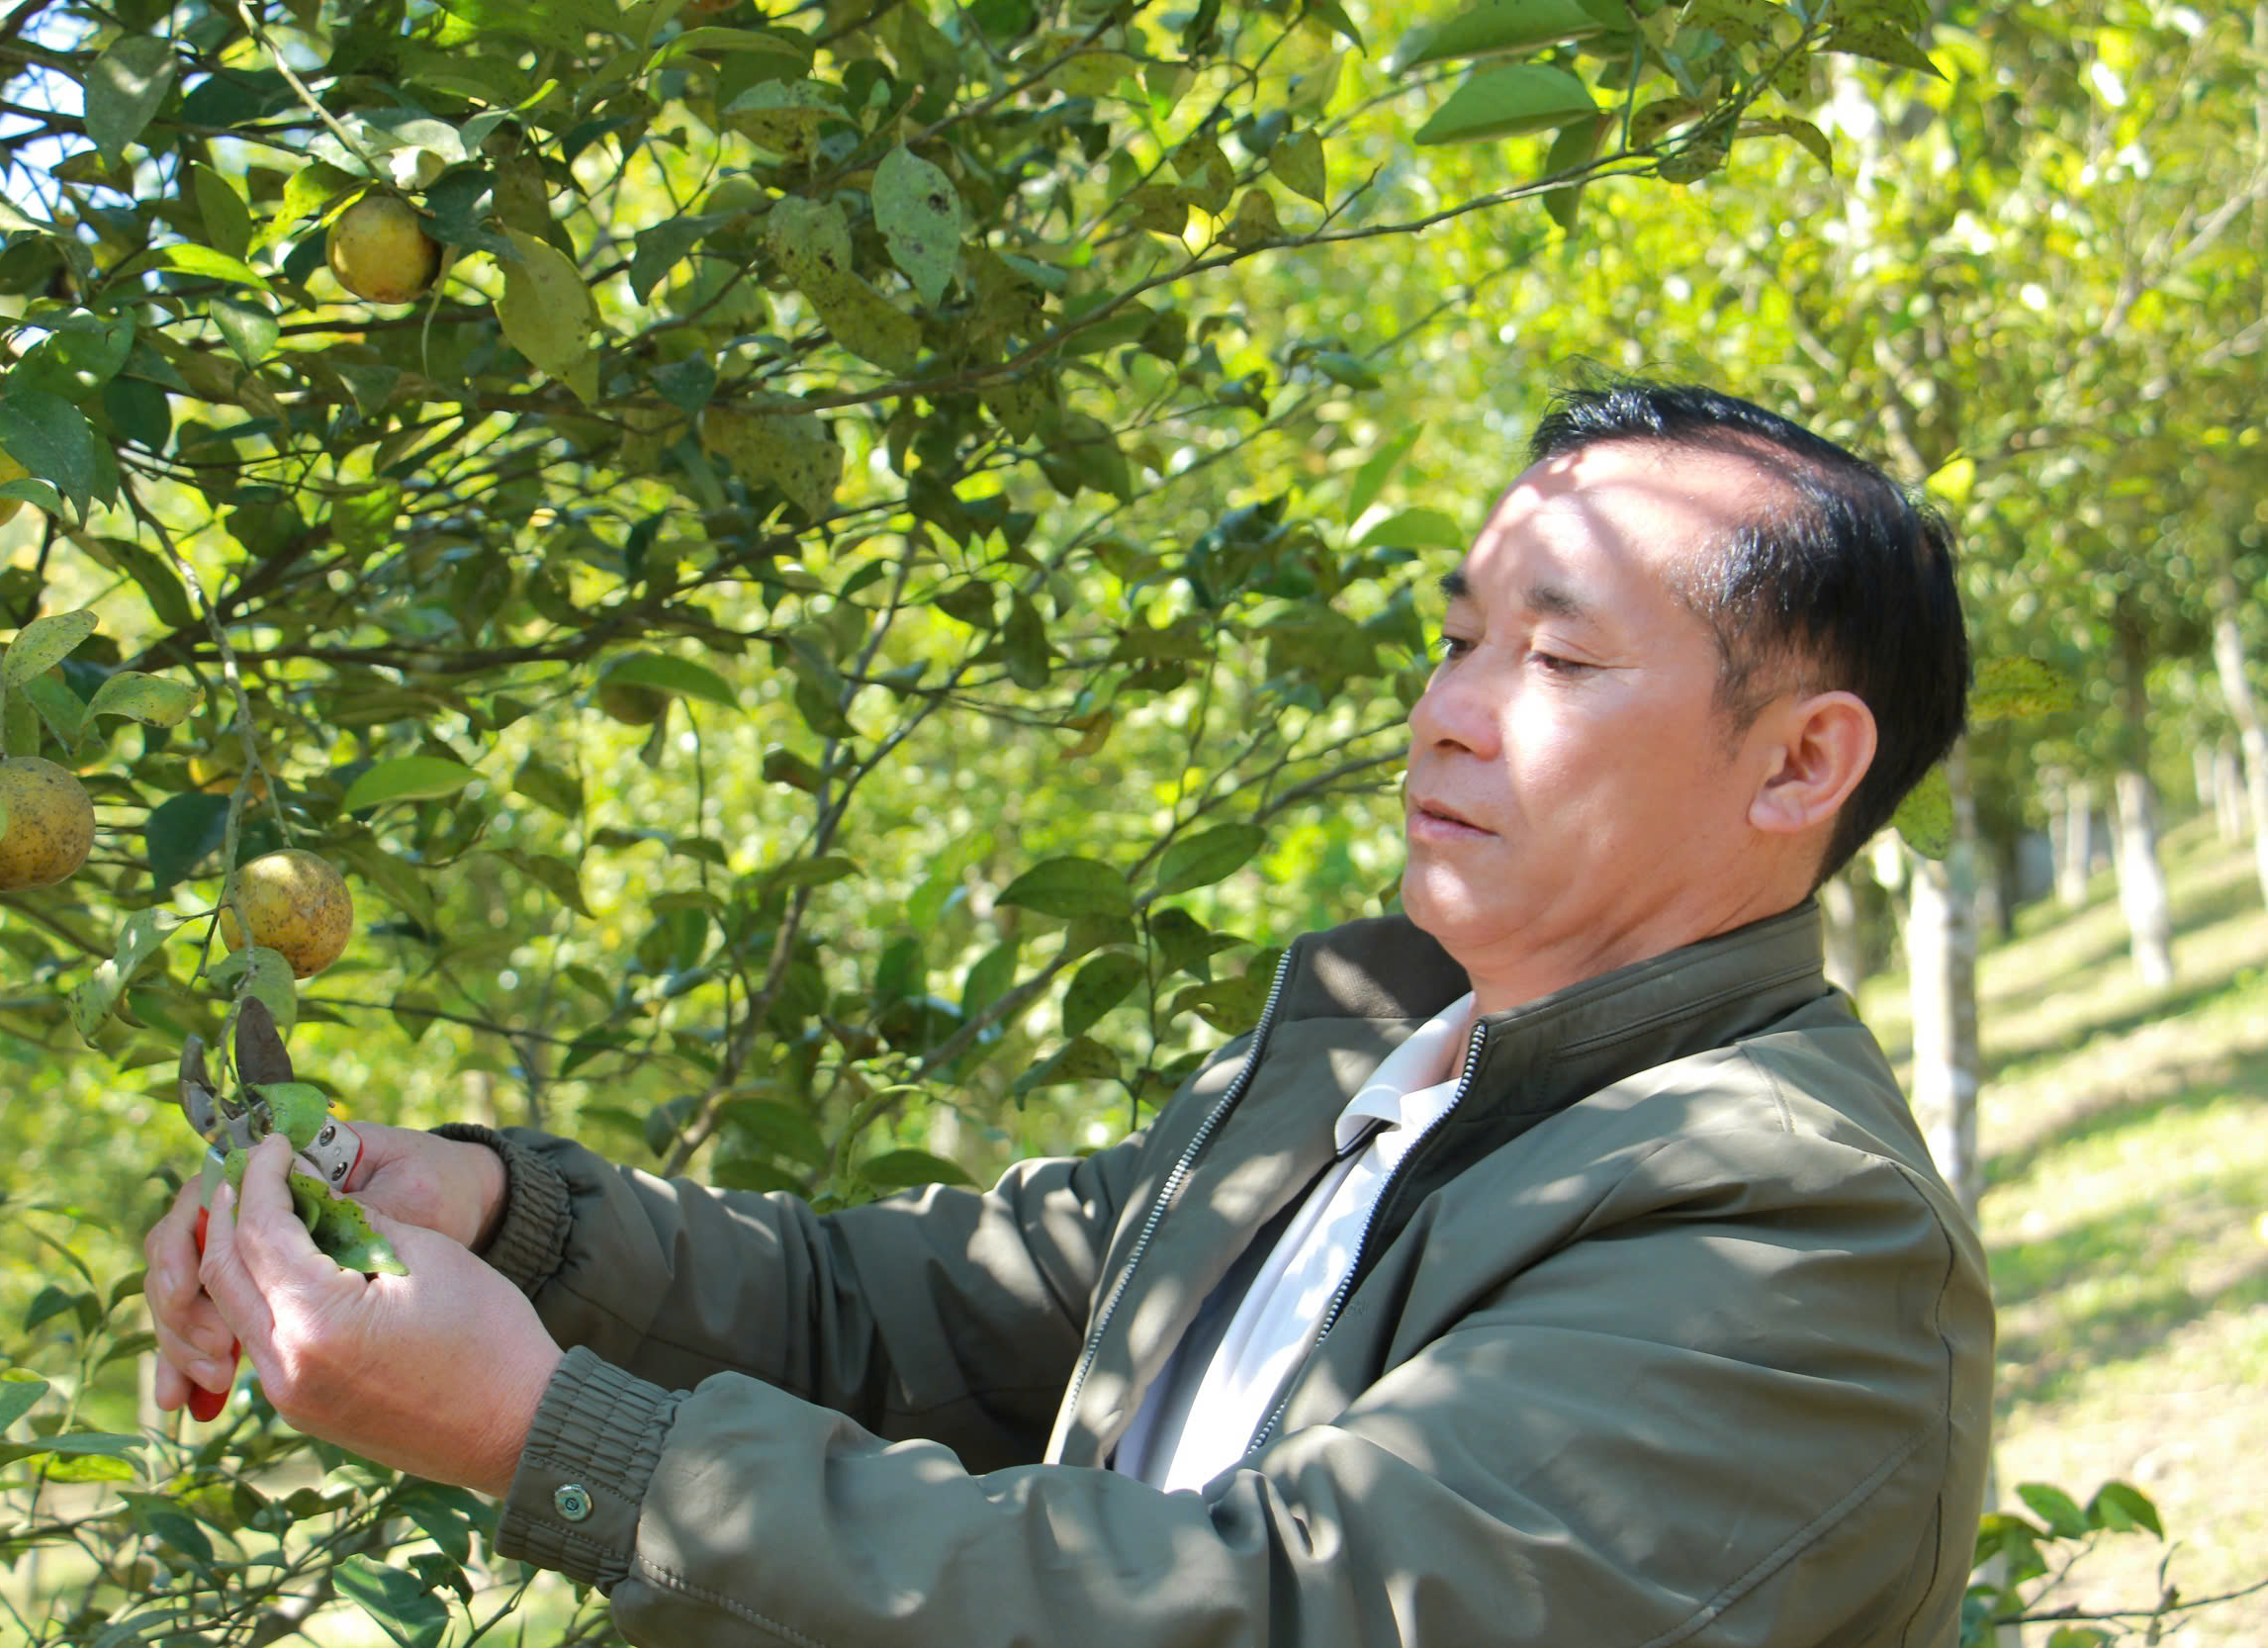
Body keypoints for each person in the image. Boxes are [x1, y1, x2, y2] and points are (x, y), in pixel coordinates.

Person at [144, 380, 1992, 1648]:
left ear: (1799, 764)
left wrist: (560, 1440)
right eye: (1456, 639)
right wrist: (499, 1214)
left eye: (1562, 656)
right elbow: (907, 1313)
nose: (1447, 711)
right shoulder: (1367, 1074)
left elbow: (1279, 1611)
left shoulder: (1789, 1233)